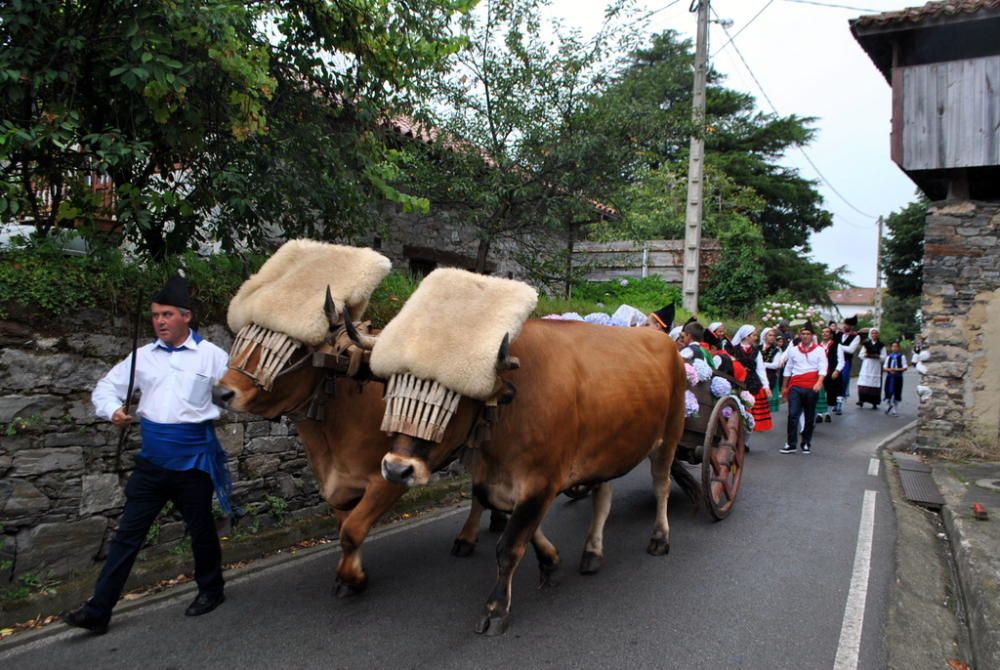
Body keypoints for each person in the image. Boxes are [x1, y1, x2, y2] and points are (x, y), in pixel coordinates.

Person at [63, 276, 231, 635]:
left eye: (167, 314)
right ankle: (99, 609)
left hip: (193, 462)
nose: (160, 321)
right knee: (127, 535)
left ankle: (212, 589)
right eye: (155, 315)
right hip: (151, 463)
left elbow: (229, 395)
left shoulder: (213, 356)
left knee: (200, 529)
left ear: (186, 316)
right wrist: (112, 411)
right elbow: (106, 387)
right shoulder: (142, 357)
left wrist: (222, 405)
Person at [779, 321, 827, 455]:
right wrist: (784, 386)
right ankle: (791, 443)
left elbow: (823, 368)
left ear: (812, 336)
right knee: (793, 414)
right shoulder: (794, 350)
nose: (805, 336)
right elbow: (788, 369)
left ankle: (806, 442)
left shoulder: (819, 350)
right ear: (800, 335)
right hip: (795, 385)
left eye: (808, 334)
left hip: (811, 385)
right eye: (803, 334)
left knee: (809, 416)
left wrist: (819, 382)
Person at [730, 325, 772, 434]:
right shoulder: (733, 350)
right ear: (746, 336)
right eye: (753, 335)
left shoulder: (756, 352)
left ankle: (745, 440)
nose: (755, 337)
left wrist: (766, 386)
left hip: (753, 384)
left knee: (750, 415)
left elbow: (761, 369)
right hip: (738, 383)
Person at [835, 315, 862, 414]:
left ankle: (840, 403)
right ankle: (834, 401)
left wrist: (839, 346)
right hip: (835, 360)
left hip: (846, 361)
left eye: (847, 324)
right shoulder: (838, 334)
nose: (845, 326)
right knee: (833, 380)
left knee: (843, 380)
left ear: (852, 326)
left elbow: (851, 350)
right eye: (845, 324)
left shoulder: (855, 337)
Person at [856, 327, 886, 409]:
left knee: (874, 383)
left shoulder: (881, 345)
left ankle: (874, 402)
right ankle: (861, 400)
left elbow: (884, 357)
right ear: (870, 334)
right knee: (863, 382)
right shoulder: (866, 344)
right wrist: (866, 355)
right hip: (867, 364)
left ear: (878, 334)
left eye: (875, 333)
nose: (874, 335)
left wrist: (877, 356)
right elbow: (860, 355)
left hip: (876, 365)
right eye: (872, 333)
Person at [816, 325, 841, 424]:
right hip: (820, 372)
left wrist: (837, 370)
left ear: (831, 335)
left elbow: (841, 360)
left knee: (830, 393)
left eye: (827, 332)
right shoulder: (818, 346)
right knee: (820, 393)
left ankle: (828, 413)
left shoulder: (837, 345)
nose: (824, 334)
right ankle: (819, 414)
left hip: (831, 372)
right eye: (823, 332)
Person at [760, 327, 783, 414]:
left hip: (770, 377)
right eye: (770, 335)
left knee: (768, 406)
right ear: (764, 336)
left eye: (773, 335)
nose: (772, 337)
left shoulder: (776, 350)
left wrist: (761, 364)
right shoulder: (758, 348)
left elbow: (775, 365)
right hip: (758, 378)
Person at [883, 341, 907, 416]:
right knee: (888, 391)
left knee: (897, 392)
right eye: (893, 346)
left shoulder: (902, 357)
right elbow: (884, 367)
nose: (894, 348)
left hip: (898, 377)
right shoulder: (889, 357)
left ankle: (895, 409)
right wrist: (890, 370)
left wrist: (896, 370)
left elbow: (905, 367)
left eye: (896, 346)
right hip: (890, 376)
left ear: (899, 348)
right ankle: (889, 404)